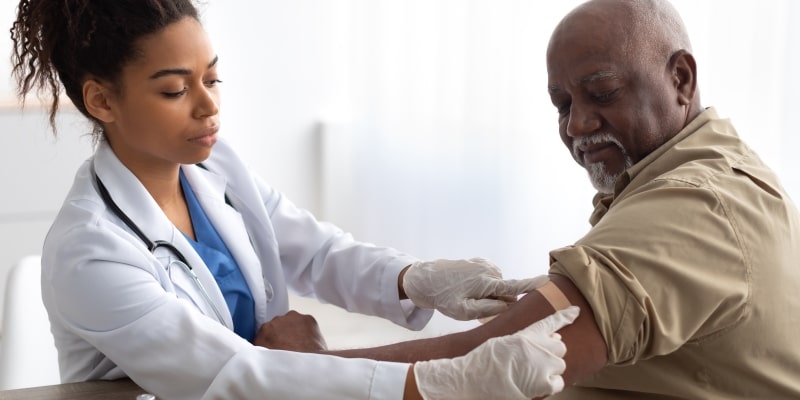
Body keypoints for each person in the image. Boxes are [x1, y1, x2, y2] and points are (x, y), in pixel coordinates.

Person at [10, 1, 580, 399]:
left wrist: (416, 278)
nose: (208, 107)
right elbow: (228, 376)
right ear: (102, 101)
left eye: (213, 79)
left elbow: (313, 252)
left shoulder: (213, 165)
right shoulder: (89, 252)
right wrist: (434, 384)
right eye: (176, 89)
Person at [423, 0, 800, 398]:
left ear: (681, 79)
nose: (576, 124)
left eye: (603, 93)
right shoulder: (698, 169)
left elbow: (472, 369)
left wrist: (350, 373)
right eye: (563, 105)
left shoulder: (694, 203)